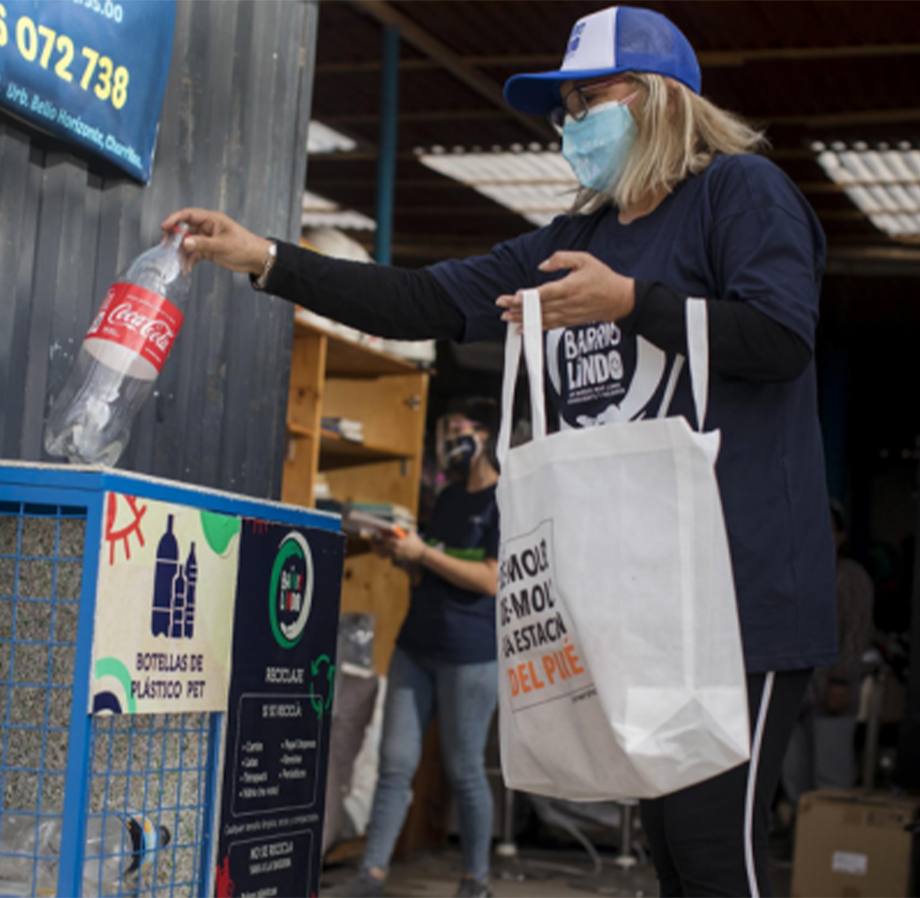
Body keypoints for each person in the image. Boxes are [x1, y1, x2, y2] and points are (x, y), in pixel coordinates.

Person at [164, 6, 838, 895]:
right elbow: (421, 304)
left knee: (716, 848)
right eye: (562, 107)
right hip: (645, 605)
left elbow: (781, 337)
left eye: (587, 98)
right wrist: (264, 258)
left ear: (659, 100)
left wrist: (633, 303)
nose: (570, 123)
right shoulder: (571, 240)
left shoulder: (738, 194)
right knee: (675, 849)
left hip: (741, 589)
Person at [338, 399, 503, 898]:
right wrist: (403, 557)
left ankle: (475, 881)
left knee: (464, 769)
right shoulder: (449, 498)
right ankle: (372, 876)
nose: (451, 441)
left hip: (471, 655)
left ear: (487, 436)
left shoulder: (506, 502)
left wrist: (423, 552)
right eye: (447, 430)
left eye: (461, 430)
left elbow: (493, 580)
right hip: (416, 645)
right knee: (394, 764)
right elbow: (430, 568)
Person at [781, 502, 874, 802]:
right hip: (794, 691)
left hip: (832, 689)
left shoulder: (851, 577)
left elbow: (856, 633)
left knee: (830, 775)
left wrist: (842, 680)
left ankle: (830, 842)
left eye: (829, 529)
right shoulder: (792, 574)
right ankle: (802, 841)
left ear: (841, 536)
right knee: (794, 774)